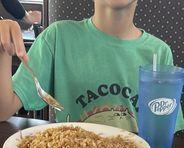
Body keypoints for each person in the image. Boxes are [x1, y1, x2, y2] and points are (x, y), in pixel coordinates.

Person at [0, 0, 183, 132]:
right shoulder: (57, 37)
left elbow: (166, 129)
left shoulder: (159, 52)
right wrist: (3, 49)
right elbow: (3, 110)